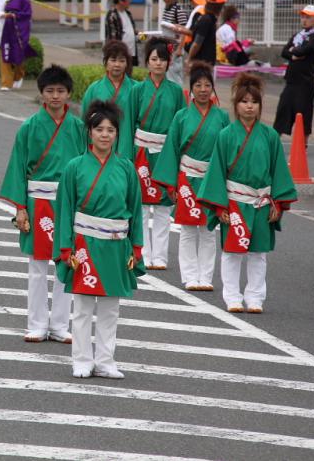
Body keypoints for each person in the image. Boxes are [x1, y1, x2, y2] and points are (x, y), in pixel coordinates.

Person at [53, 100, 145, 379]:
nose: (105, 135)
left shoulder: (127, 168)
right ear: (89, 133)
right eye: (99, 129)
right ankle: (81, 359)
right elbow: (65, 209)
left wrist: (137, 246)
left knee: (110, 306)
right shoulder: (74, 167)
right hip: (85, 243)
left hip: (117, 243)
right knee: (82, 305)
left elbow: (136, 209)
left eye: (111, 130)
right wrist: (66, 247)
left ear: (117, 134)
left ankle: (106, 359)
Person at [0, 65, 87, 344]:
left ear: (69, 94)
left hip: (68, 201)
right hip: (37, 201)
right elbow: (17, 168)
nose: (55, 96)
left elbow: (86, 167)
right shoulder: (29, 127)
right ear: (41, 94)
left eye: (61, 91)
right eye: (49, 91)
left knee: (65, 262)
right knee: (37, 265)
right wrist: (20, 208)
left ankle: (61, 324)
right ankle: (36, 323)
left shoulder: (79, 128)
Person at [198, 73, 297, 313]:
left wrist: (279, 204)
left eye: (254, 102)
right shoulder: (226, 136)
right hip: (235, 202)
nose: (249, 106)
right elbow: (217, 173)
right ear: (236, 105)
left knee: (258, 253)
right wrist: (221, 206)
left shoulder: (270, 137)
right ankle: (232, 296)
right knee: (232, 252)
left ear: (260, 106)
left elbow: (279, 173)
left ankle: (255, 297)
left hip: (262, 202)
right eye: (244, 101)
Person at [152, 61, 230, 291]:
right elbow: (172, 150)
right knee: (187, 229)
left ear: (213, 88)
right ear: (191, 88)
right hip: (186, 176)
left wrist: (225, 182)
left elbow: (227, 150)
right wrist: (172, 183)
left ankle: (205, 277)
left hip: (211, 179)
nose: (203, 89)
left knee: (207, 229)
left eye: (207, 85)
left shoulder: (222, 117)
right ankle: (189, 276)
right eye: (198, 85)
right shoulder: (181, 117)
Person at [127, 37, 186, 270]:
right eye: (154, 59)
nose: (158, 63)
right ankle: (142, 252)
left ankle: (160, 256)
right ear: (147, 62)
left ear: (169, 62)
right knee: (141, 206)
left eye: (162, 59)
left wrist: (178, 158)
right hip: (141, 150)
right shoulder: (137, 90)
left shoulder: (176, 92)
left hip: (165, 153)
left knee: (163, 207)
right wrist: (127, 157)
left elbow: (181, 126)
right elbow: (129, 125)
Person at [273, 5, 314, 145]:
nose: (304, 20)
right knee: (283, 109)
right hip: (291, 80)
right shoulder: (298, 35)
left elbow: (304, 50)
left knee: (303, 112)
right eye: (303, 16)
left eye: (308, 17)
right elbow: (284, 52)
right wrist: (294, 52)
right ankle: (274, 141)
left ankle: (303, 143)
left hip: (305, 82)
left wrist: (294, 51)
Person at [80, 40, 137, 158]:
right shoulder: (94, 89)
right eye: (113, 60)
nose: (117, 64)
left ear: (127, 64)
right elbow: (84, 122)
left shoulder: (136, 88)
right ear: (105, 62)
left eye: (122, 60)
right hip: (99, 146)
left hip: (127, 147)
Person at [0, 0, 36, 90]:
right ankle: (6, 83)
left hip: (18, 31)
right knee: (4, 54)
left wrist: (15, 15)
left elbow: (27, 14)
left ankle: (19, 75)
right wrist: (4, 14)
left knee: (18, 55)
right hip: (5, 30)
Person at [160, 0, 189, 85]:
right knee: (168, 75)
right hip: (168, 47)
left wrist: (180, 49)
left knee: (174, 76)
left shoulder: (178, 10)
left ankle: (177, 97)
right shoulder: (167, 8)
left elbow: (185, 31)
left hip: (176, 49)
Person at [188, 0, 226, 67]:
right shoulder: (207, 20)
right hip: (202, 64)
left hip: (205, 63)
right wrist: (189, 59)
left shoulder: (209, 19)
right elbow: (196, 43)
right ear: (219, 7)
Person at [105, 0, 139, 67]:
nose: (130, 1)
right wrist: (115, 55)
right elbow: (113, 38)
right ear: (121, 0)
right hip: (120, 55)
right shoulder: (112, 15)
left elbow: (130, 31)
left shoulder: (128, 13)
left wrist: (137, 34)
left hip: (131, 52)